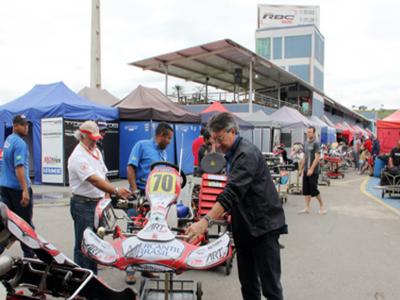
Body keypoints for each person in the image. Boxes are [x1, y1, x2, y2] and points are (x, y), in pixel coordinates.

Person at [186, 112, 287, 300]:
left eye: (220, 139)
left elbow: (232, 192)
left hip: (263, 227)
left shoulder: (246, 153)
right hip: (246, 228)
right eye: (213, 141)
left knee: (271, 288)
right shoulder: (232, 154)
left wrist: (205, 221)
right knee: (248, 286)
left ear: (232, 131)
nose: (216, 145)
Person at [68, 121, 131, 274]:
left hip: (97, 204)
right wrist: (116, 190)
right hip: (83, 204)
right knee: (84, 246)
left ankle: (92, 278)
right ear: (82, 136)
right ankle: (83, 283)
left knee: (96, 243)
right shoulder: (78, 156)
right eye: (92, 139)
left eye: (96, 138)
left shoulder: (95, 151)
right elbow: (95, 180)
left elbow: (102, 176)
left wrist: (108, 197)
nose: (95, 141)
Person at [125, 122, 173, 284]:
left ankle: (146, 269)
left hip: (156, 200)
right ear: (161, 135)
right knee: (134, 231)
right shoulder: (142, 146)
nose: (169, 141)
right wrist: (134, 191)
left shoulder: (163, 153)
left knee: (152, 234)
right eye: (169, 138)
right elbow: (131, 167)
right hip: (139, 196)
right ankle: (130, 270)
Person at [0, 115, 35, 258]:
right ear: (15, 126)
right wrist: (25, 190)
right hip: (17, 190)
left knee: (6, 224)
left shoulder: (8, 140)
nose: (26, 127)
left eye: (27, 124)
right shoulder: (20, 144)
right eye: (23, 124)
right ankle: (29, 255)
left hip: (5, 187)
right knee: (25, 225)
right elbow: (19, 168)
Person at [298, 126, 326, 214]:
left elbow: (317, 158)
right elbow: (305, 157)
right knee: (306, 190)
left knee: (313, 190)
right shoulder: (306, 143)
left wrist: (311, 169)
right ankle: (307, 207)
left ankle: (322, 205)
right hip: (306, 170)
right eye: (308, 132)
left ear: (314, 133)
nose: (308, 133)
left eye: (310, 132)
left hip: (313, 171)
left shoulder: (316, 143)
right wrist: (301, 169)